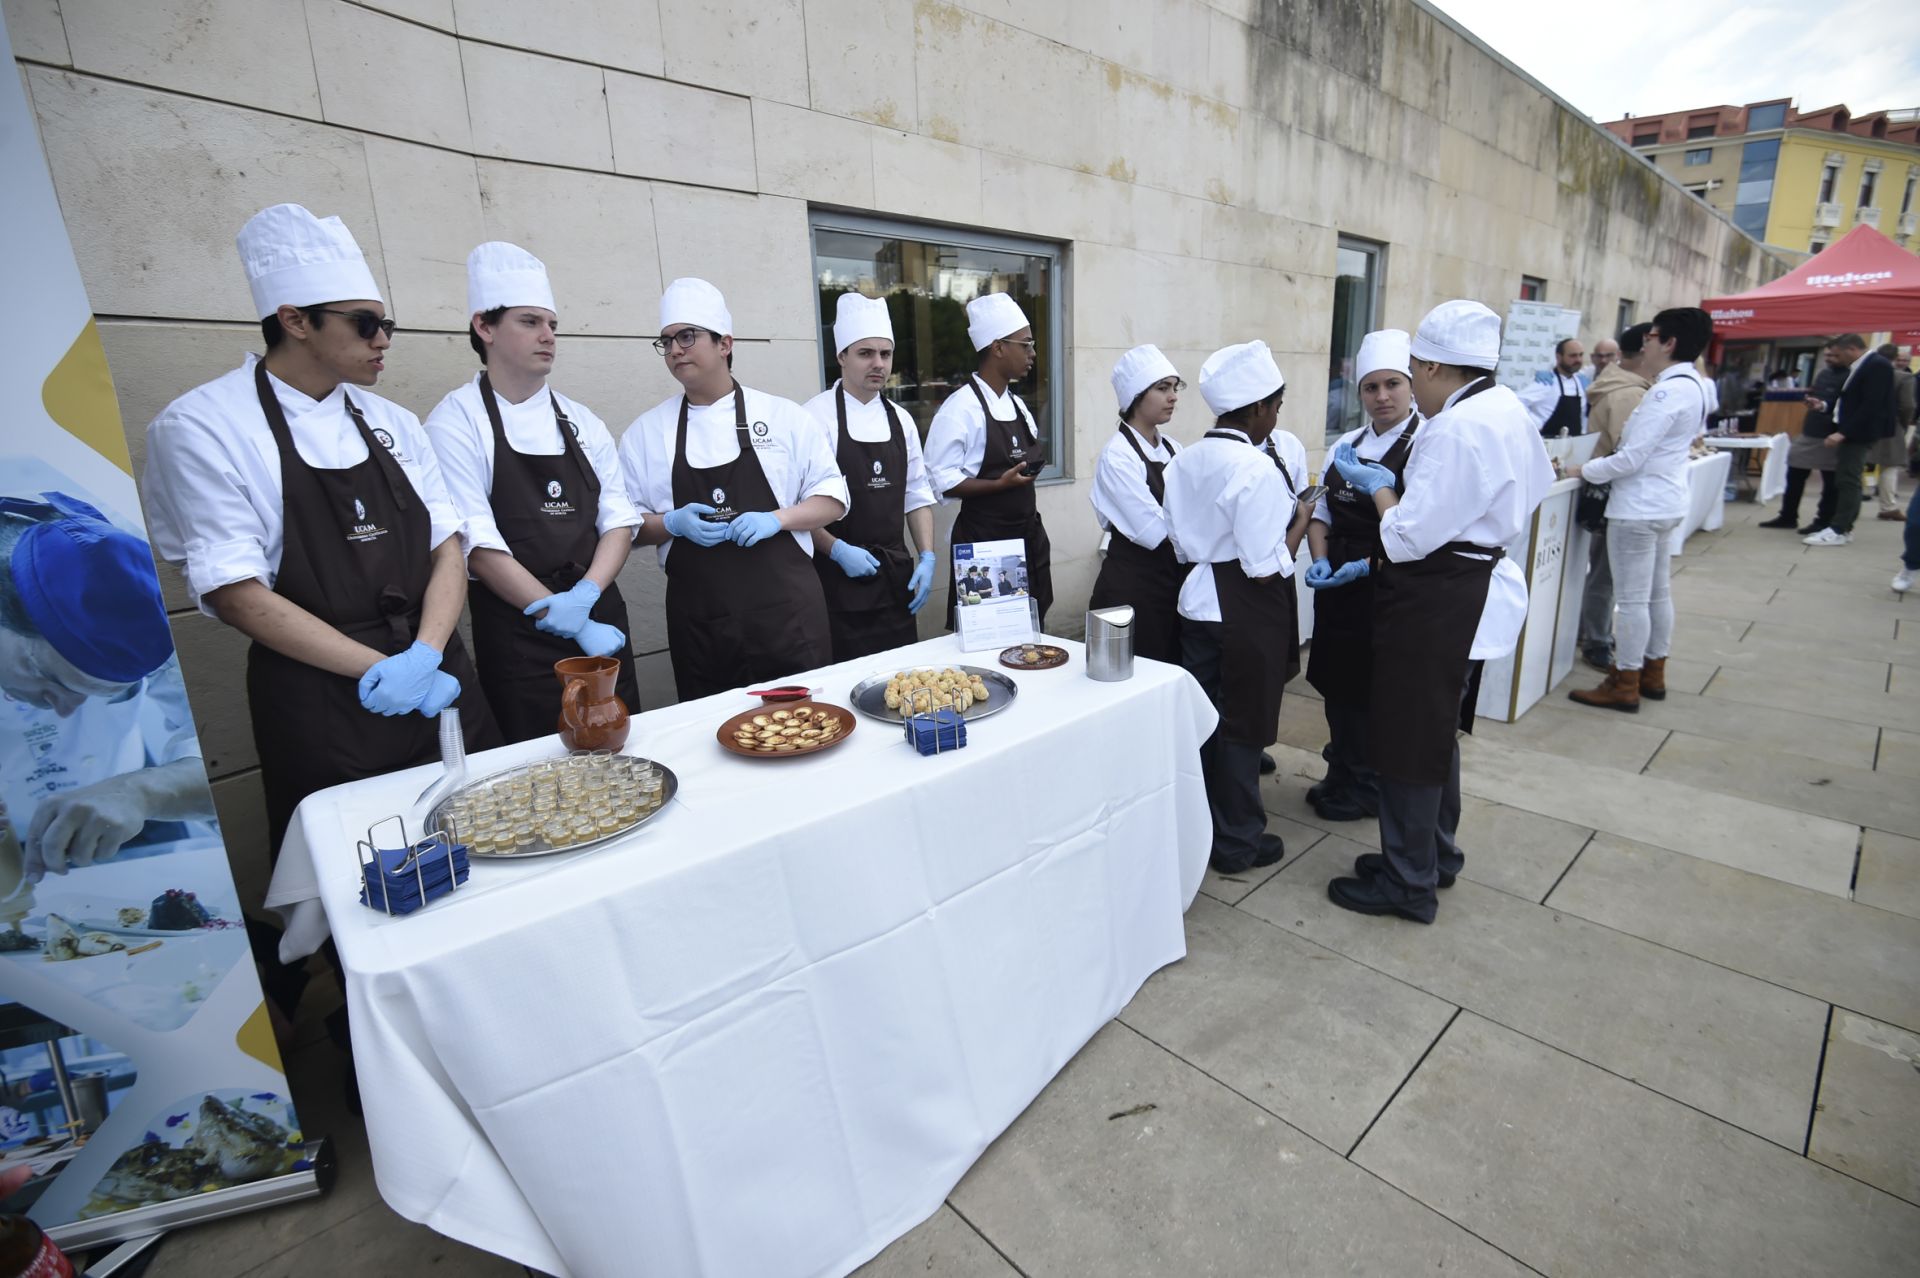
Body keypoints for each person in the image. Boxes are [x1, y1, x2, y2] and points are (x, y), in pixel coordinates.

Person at [144, 204, 500, 868]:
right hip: (326, 697)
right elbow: (234, 592)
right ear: (295, 320)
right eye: (365, 324)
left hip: (437, 673)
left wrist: (425, 656)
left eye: (385, 323)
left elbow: (445, 545)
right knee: (362, 874)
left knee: (486, 844)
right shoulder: (202, 426)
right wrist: (381, 670)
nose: (383, 339)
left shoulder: (392, 419)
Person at [1323, 301, 1553, 924]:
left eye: (1406, 376)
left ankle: (1407, 882)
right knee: (1436, 733)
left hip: (1434, 592)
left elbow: (1404, 537)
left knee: (1405, 737)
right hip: (1467, 581)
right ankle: (1432, 854)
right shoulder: (1504, 407)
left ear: (1428, 367)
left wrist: (1377, 488)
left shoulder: (1455, 427)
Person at [424, 243, 640, 743]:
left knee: (619, 755)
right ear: (485, 328)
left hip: (600, 619)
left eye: (552, 324)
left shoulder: (581, 420)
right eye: (530, 322)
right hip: (522, 632)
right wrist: (558, 612)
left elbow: (618, 518)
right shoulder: (455, 423)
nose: (548, 337)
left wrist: (585, 598)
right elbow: (476, 543)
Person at [620, 278, 848, 699]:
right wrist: (670, 523)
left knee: (807, 734)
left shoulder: (783, 417)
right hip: (704, 631)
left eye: (687, 336)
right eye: (666, 341)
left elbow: (833, 499)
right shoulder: (645, 434)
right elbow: (627, 528)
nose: (674, 349)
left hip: (788, 624)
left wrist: (778, 519)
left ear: (725, 343)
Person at [1, 494, 214, 885]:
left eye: (106, 693)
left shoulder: (144, 590)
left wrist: (144, 792)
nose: (66, 710)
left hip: (126, 813)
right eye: (47, 677)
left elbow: (222, 748)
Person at [1162, 341, 1310, 875]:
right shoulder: (1256, 467)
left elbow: (1180, 544)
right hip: (1245, 609)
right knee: (1242, 728)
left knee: (1204, 723)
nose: (1275, 417)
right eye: (1275, 407)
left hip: (1196, 600)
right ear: (1257, 409)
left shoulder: (1183, 461)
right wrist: (1301, 519)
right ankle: (1238, 839)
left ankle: (1201, 829)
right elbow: (1263, 564)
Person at [1565, 309, 1715, 711]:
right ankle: (1652, 671)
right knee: (1655, 594)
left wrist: (1582, 469)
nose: (1644, 342)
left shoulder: (1667, 391)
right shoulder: (1690, 385)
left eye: (1651, 335)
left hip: (1639, 507)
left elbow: (1629, 459)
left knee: (1633, 600)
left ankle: (1625, 679)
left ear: (1668, 343)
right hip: (1663, 502)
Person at [1302, 329, 1418, 822]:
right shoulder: (1345, 445)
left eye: (1392, 384)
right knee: (1335, 682)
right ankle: (1341, 769)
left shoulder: (1423, 445)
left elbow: (1418, 534)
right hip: (1339, 587)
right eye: (1371, 387)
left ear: (1411, 386)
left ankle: (1367, 784)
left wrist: (1362, 567)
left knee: (1371, 693)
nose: (1382, 396)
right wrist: (1320, 558)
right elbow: (1322, 509)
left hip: (1386, 587)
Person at [802, 294, 938, 661]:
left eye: (886, 354)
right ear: (841, 357)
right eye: (865, 353)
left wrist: (926, 555)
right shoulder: (813, 418)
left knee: (900, 679)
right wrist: (836, 549)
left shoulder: (901, 419)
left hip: (895, 579)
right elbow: (797, 508)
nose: (878, 364)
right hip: (835, 579)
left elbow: (917, 495)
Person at [925, 293, 1053, 629]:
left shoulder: (1018, 405)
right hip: (984, 544)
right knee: (989, 636)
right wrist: (999, 484)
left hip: (1027, 535)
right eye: (1025, 345)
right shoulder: (960, 408)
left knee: (1031, 633)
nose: (1032, 354)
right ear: (998, 348)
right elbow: (941, 479)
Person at [1088, 345, 1185, 664]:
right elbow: (1153, 530)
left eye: (1174, 387)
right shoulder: (1118, 456)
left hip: (1171, 586)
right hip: (1130, 592)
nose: (1172, 396)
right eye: (1162, 388)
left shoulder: (1173, 448)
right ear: (1134, 396)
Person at [1575, 322, 1654, 670]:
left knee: (1603, 572)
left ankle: (1592, 632)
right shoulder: (1628, 394)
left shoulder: (1631, 388)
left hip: (1610, 488)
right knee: (1605, 575)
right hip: (1612, 492)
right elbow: (1628, 452)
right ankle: (1597, 639)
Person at [1804, 334, 1896, 547]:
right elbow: (1850, 400)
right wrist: (1823, 406)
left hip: (1858, 433)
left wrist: (1843, 432)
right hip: (1852, 430)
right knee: (1846, 479)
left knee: (1848, 480)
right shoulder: (1863, 366)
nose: (1838, 359)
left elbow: (1871, 405)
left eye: (1839, 354)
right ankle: (1842, 527)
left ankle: (1840, 528)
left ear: (1852, 349)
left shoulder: (1876, 365)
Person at [1759, 342, 1845, 532]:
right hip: (1810, 430)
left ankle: (1823, 520)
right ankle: (1788, 516)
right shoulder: (1823, 374)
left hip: (1831, 433)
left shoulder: (1849, 376)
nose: (1829, 359)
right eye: (1828, 355)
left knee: (1831, 481)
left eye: (1834, 356)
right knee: (1795, 471)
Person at [1872, 342, 1914, 520]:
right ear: (1895, 358)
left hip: (1862, 424)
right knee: (1890, 465)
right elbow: (1908, 406)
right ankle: (1888, 506)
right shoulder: (1903, 378)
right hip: (1891, 425)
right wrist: (1904, 424)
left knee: (1855, 464)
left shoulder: (1864, 373)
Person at [1519, 337, 1587, 437]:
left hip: (1573, 446)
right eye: (1573, 356)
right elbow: (1518, 401)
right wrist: (1537, 423)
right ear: (1559, 357)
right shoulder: (1546, 383)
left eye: (1581, 355)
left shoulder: (1581, 382)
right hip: (1548, 445)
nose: (1578, 360)